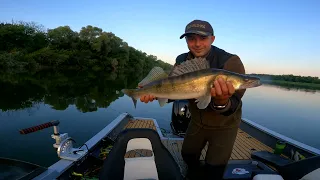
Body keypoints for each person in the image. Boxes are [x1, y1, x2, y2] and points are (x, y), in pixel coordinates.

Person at [139, 20, 246, 179]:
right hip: (196, 120)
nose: (197, 44)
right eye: (191, 39)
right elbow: (174, 90)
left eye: (203, 38)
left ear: (212, 39)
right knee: (188, 155)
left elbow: (234, 103)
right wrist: (155, 93)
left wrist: (221, 100)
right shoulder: (182, 59)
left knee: (214, 167)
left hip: (224, 125)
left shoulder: (230, 61)